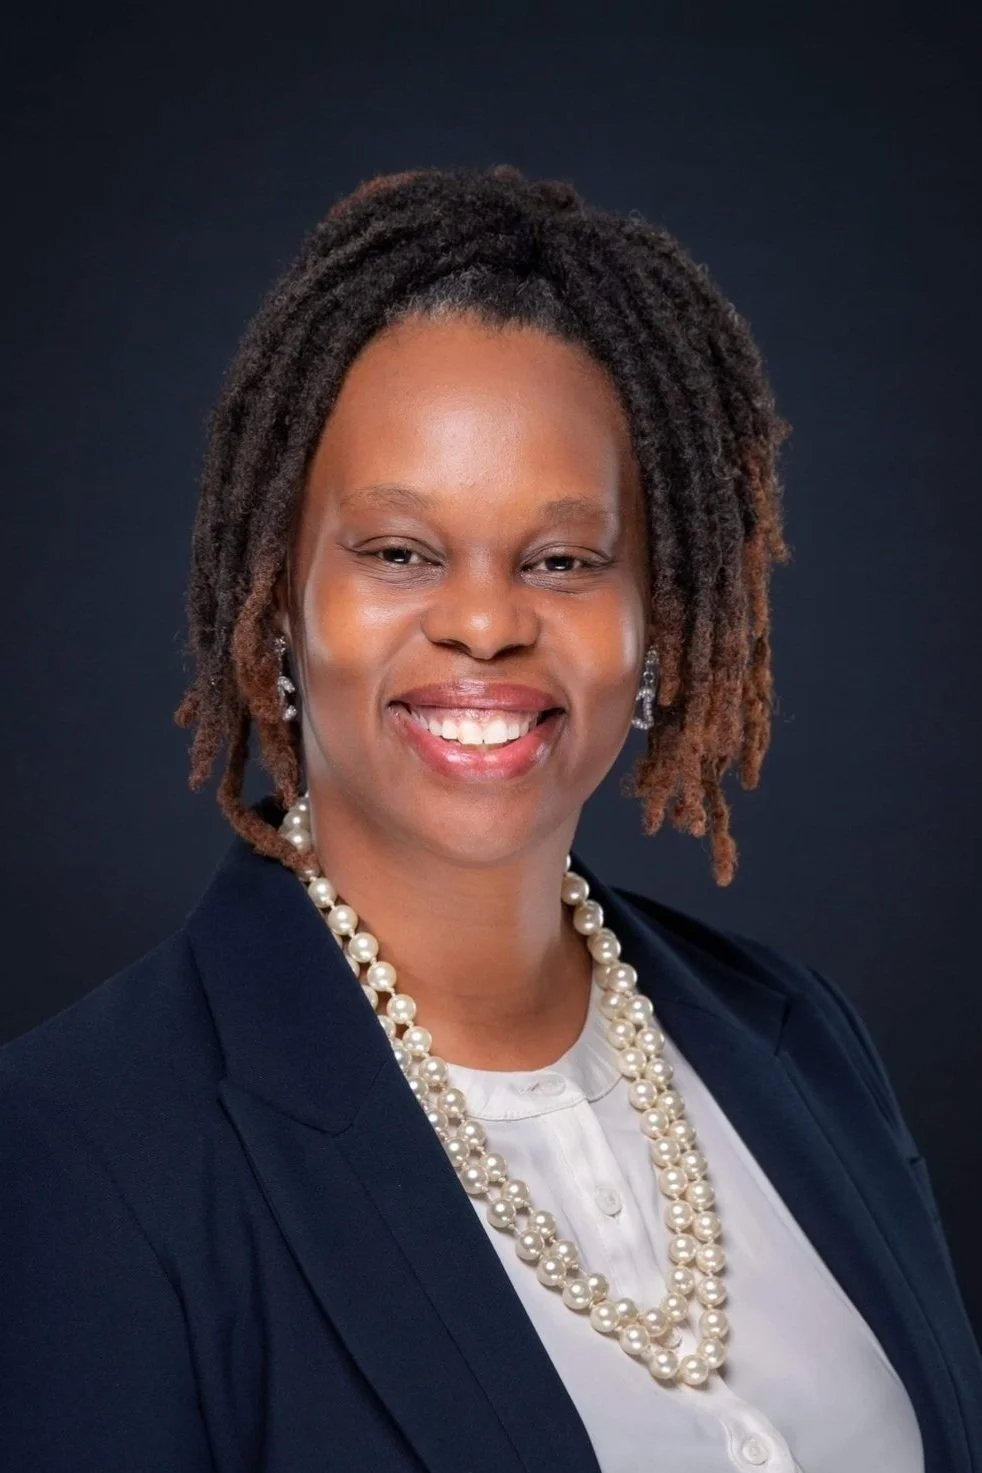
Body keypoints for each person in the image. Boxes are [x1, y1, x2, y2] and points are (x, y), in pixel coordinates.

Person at [1, 165, 978, 1473]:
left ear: (657, 616)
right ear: (276, 596)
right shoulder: (78, 1154)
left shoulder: (797, 1041)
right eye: (398, 552)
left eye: (563, 559)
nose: (484, 620)